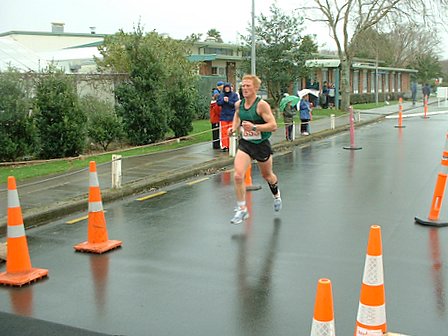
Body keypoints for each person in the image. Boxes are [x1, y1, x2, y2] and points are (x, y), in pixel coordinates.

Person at [228, 74, 282, 224]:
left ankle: (276, 195)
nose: (244, 88)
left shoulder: (261, 105)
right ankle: (242, 209)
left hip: (261, 145)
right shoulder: (239, 104)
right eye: (243, 86)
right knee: (238, 176)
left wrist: (254, 127)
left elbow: (273, 125)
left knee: (267, 176)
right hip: (246, 143)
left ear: (256, 88)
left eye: (248, 86)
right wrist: (233, 128)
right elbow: (237, 116)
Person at [217, 83, 239, 151]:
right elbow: (218, 103)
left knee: (231, 131)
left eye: (228, 88)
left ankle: (231, 145)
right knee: (224, 131)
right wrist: (223, 100)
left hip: (232, 116)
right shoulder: (221, 95)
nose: (227, 89)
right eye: (225, 88)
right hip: (224, 116)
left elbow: (236, 104)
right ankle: (224, 145)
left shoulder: (234, 95)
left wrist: (228, 101)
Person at [210, 81, 224, 149]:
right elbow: (217, 111)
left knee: (215, 132)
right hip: (215, 119)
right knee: (216, 132)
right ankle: (216, 145)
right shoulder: (215, 104)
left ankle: (216, 144)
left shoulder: (213, 103)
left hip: (214, 119)